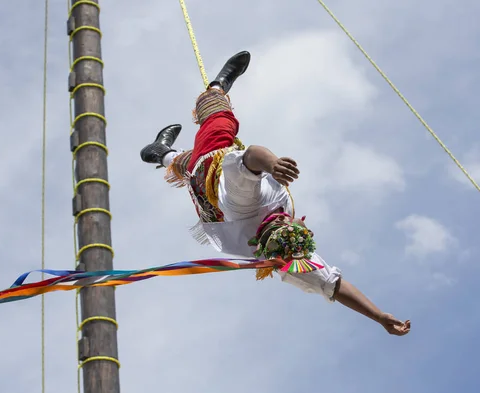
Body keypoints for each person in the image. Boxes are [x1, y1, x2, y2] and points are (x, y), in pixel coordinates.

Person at [139, 51, 411, 336]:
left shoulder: (248, 202)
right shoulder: (287, 256)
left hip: (213, 171)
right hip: (206, 195)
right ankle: (161, 153)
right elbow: (333, 285)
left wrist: (273, 164)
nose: (293, 223)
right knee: (188, 163)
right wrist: (378, 315)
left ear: (275, 232)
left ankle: (217, 87)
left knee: (221, 124)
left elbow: (252, 154)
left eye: (285, 226)